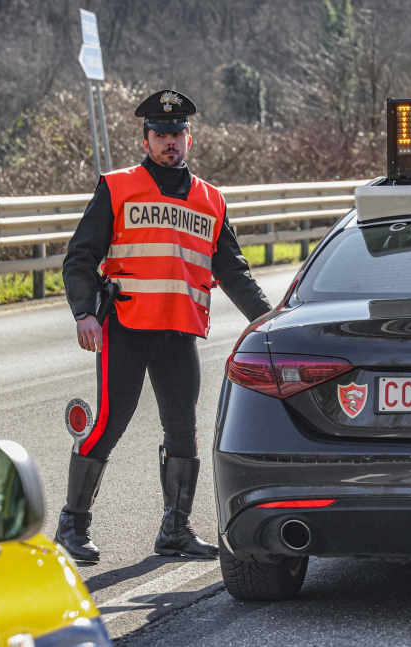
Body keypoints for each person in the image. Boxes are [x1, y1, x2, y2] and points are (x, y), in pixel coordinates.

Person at [57, 89, 272, 562]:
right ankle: (73, 525)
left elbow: (233, 270)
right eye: (160, 134)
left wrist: (269, 321)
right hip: (127, 328)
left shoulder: (211, 200)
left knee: (184, 433)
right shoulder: (117, 186)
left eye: (176, 134)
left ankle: (175, 529)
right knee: (110, 423)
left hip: (179, 334)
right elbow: (80, 257)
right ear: (145, 140)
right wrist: (84, 312)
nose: (169, 142)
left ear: (189, 140)